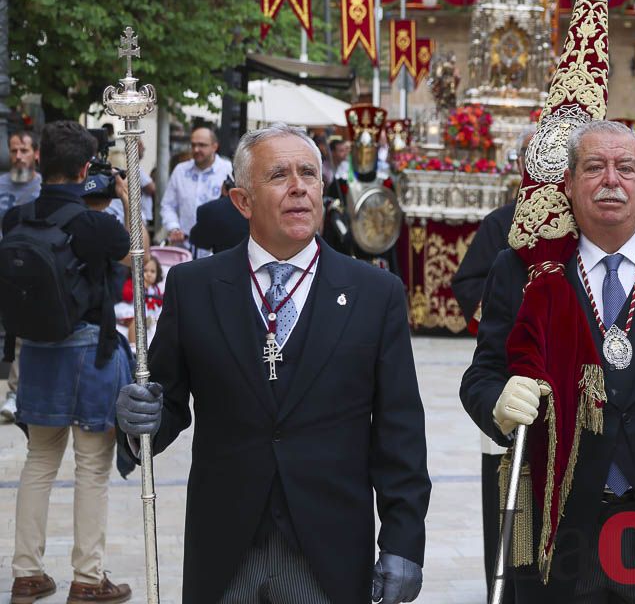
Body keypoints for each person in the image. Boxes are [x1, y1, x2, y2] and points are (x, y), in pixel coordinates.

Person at [114, 124, 431, 603]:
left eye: (309, 173)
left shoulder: (374, 294)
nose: (299, 186)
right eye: (279, 175)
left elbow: (399, 430)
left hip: (329, 549)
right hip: (226, 548)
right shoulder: (194, 288)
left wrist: (404, 541)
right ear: (243, 201)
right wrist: (137, 419)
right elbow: (167, 405)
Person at [460, 120, 635, 603]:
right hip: (557, 524)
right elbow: (482, 375)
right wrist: (497, 401)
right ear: (568, 182)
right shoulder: (525, 267)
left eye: (625, 167)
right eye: (594, 167)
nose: (611, 180)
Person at [2, 121, 142, 604]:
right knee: (90, 467)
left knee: (39, 461)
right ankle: (87, 578)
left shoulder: (14, 219)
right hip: (88, 352)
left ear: (40, 160)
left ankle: (26, 574)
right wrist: (128, 198)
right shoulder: (94, 224)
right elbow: (138, 258)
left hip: (36, 350)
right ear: (86, 168)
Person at [448, 125, 533, 604]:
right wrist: (506, 312)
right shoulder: (502, 222)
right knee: (506, 508)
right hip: (508, 379)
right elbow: (469, 282)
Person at [0, 130, 41, 425]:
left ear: (36, 153)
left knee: (21, 334)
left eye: (24, 150)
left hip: (30, 270)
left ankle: (17, 392)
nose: (18, 156)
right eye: (14, 151)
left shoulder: (43, 188)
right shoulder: (0, 185)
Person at [160, 125, 233, 253]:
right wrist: (174, 227)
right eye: (193, 145)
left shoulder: (228, 170)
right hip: (184, 247)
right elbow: (167, 205)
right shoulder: (180, 170)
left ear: (215, 146)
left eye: (202, 145)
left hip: (216, 250)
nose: (196, 149)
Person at [190, 175, 250, 255]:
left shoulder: (210, 210)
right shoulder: (265, 207)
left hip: (225, 265)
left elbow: (199, 241)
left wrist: (223, 196)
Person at [115, 254, 164, 347]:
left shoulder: (155, 288)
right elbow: (127, 295)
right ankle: (134, 345)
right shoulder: (132, 283)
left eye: (152, 271)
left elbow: (159, 301)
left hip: (150, 313)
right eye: (145, 271)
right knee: (136, 320)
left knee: (158, 321)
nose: (149, 274)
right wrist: (139, 288)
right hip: (132, 310)